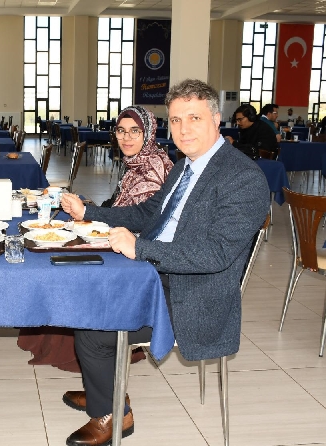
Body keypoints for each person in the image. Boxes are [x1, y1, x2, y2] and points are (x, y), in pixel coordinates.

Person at [60, 79, 269, 445]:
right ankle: (104, 388)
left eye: (194, 118)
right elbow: (147, 213)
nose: (183, 129)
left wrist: (140, 248)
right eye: (175, 120)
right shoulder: (184, 166)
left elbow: (216, 254)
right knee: (83, 290)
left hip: (194, 293)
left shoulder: (243, 178)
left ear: (216, 119)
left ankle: (112, 413)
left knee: (92, 325)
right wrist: (89, 213)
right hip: (156, 273)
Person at [17, 105, 173, 373]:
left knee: (69, 265)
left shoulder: (154, 168)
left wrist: (89, 213)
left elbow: (140, 218)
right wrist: (86, 208)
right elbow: (117, 206)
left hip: (140, 257)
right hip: (123, 239)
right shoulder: (137, 163)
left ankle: (88, 347)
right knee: (58, 248)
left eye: (135, 131)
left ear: (148, 133)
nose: (126, 137)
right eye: (121, 130)